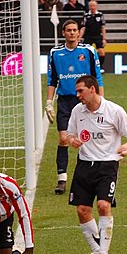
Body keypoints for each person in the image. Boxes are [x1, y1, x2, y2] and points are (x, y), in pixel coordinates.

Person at [66, 75, 127, 254]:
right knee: (82, 210)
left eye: (81, 90)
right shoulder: (77, 111)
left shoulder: (114, 111)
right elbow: (70, 134)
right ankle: (96, 251)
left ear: (92, 89)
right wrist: (73, 141)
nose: (78, 95)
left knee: (104, 206)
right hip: (84, 164)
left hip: (107, 165)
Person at [46, 20, 104, 195]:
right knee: (64, 139)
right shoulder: (55, 53)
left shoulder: (88, 51)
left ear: (79, 33)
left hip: (86, 100)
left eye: (75, 30)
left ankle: (91, 176)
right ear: (63, 33)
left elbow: (97, 77)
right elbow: (52, 80)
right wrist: (49, 102)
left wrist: (101, 100)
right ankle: (62, 179)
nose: (72, 33)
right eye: (69, 30)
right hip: (65, 101)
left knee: (88, 138)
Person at [80, 0, 106, 73]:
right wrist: (79, 38)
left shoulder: (100, 15)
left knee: (101, 52)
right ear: (89, 7)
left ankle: (100, 67)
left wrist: (104, 39)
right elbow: (83, 28)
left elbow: (103, 27)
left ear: (96, 6)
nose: (92, 7)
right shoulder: (86, 16)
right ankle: (87, 67)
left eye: (94, 6)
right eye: (91, 6)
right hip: (88, 36)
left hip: (97, 36)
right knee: (86, 52)